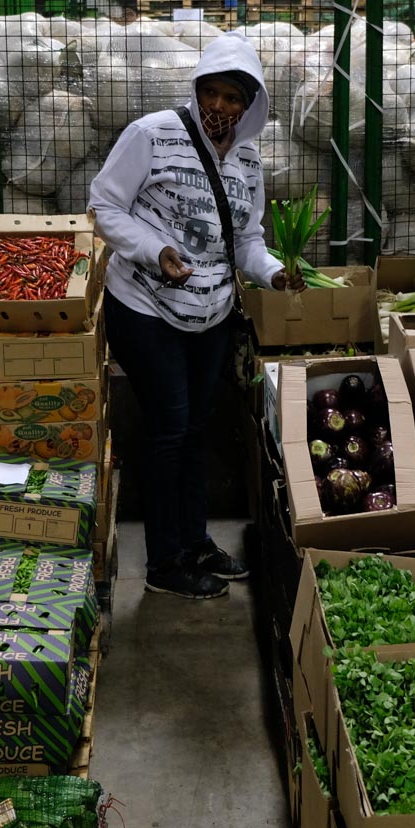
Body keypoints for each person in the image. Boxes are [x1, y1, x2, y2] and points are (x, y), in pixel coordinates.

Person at [89, 33, 290, 600]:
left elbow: (245, 239)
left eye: (234, 99)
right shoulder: (151, 135)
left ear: (250, 107)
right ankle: (164, 563)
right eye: (213, 93)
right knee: (170, 431)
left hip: (211, 313)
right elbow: (104, 204)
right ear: (196, 89)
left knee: (194, 431)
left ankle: (195, 539)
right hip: (146, 308)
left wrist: (272, 272)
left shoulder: (248, 160)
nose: (221, 108)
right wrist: (155, 251)